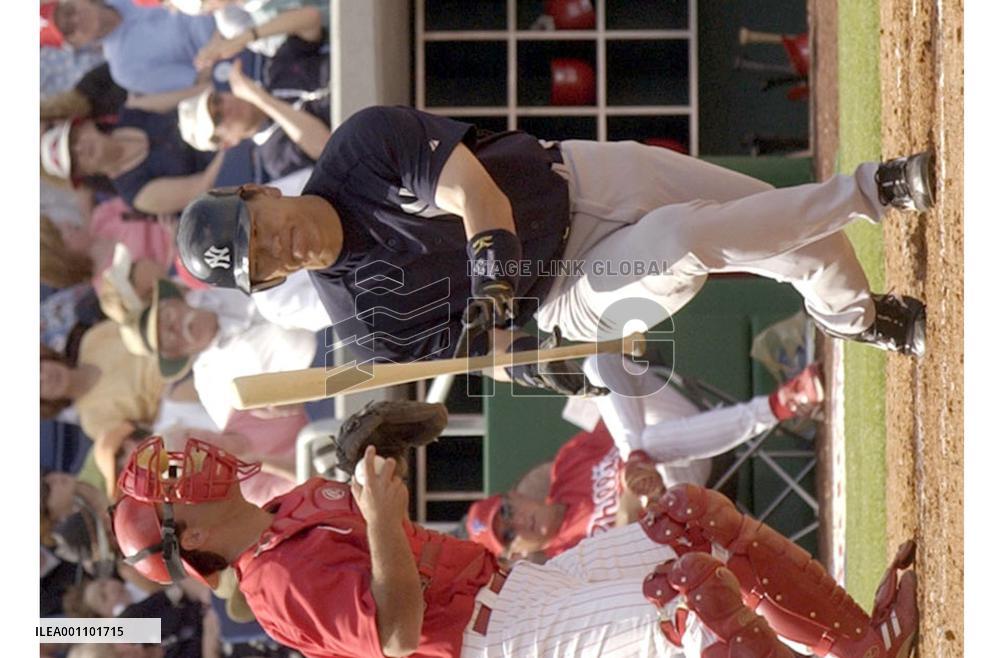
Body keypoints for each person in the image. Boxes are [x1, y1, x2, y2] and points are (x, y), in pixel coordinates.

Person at [175, 106, 933, 398]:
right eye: (263, 266)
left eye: (262, 233)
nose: (280, 250)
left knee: (789, 235)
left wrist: (488, 277)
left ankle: (852, 315)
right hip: (573, 289)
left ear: (257, 196)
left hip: (581, 175)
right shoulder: (365, 325)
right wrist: (539, 366)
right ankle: (875, 188)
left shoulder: (359, 149)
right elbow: (492, 352)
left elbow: (477, 196)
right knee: (685, 240)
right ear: (270, 283)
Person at [109, 429, 918, 658]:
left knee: (685, 517)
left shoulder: (286, 504)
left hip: (516, 593)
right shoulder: (272, 590)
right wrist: (385, 522)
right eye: (169, 487)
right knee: (687, 597)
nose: (181, 466)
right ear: (192, 537)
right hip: (494, 642)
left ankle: (861, 645)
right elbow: (392, 634)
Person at [465, 358, 824, 560]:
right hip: (681, 498)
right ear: (517, 553)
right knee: (645, 448)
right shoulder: (570, 559)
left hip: (678, 438)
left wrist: (634, 460)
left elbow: (620, 421)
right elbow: (633, 537)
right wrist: (633, 488)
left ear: (514, 496)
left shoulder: (566, 465)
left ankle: (784, 404)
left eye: (507, 513)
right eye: (508, 534)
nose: (518, 523)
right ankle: (781, 404)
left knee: (597, 366)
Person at [119, 277, 316, 430]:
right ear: (174, 354)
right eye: (166, 337)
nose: (173, 328)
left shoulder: (223, 282)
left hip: (328, 292)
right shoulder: (213, 387)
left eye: (166, 317)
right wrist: (286, 408)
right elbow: (252, 432)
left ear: (174, 300)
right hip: (327, 374)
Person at [177, 10, 330, 182]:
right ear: (227, 143)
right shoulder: (274, 158)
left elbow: (311, 19)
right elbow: (326, 146)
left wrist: (245, 38)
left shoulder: (274, 72)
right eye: (218, 118)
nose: (226, 107)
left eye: (217, 99)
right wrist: (261, 99)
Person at [40, 329, 164, 498]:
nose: (46, 377)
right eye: (39, 386)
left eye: (39, 368)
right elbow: (148, 430)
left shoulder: (92, 339)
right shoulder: (93, 423)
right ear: (44, 403)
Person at [40, 109, 222, 215]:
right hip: (231, 165)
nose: (80, 149)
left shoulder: (130, 113)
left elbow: (195, 93)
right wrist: (231, 143)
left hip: (226, 116)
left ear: (84, 125)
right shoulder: (135, 192)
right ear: (83, 174)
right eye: (74, 158)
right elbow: (203, 187)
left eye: (74, 139)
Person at [53, 0, 216, 97]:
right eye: (70, 29)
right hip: (222, 45)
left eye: (70, 11)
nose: (77, 19)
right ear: (76, 45)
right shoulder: (125, 70)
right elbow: (198, 79)